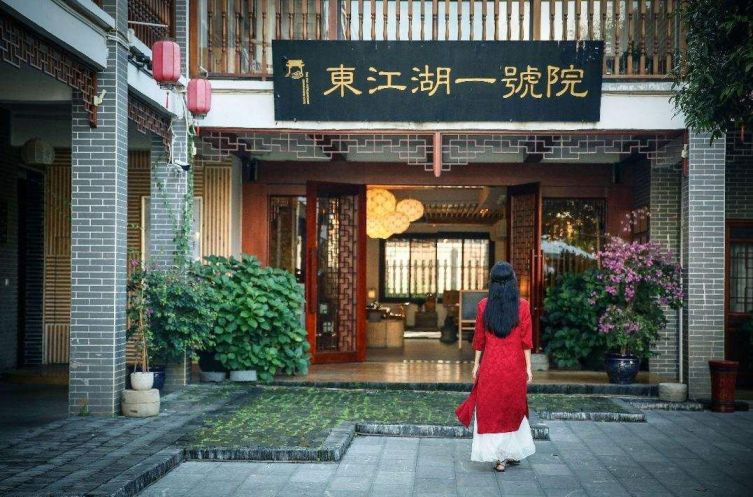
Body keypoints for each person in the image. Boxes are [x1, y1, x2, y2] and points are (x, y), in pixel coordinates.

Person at [455, 261, 535, 472]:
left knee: (492, 409)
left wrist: (476, 365)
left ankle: (501, 456)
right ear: (513, 281)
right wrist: (528, 367)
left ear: (492, 282)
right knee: (512, 408)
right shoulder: (523, 306)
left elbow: (479, 339)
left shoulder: (484, 305)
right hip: (514, 365)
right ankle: (507, 454)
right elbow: (526, 341)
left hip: (491, 365)